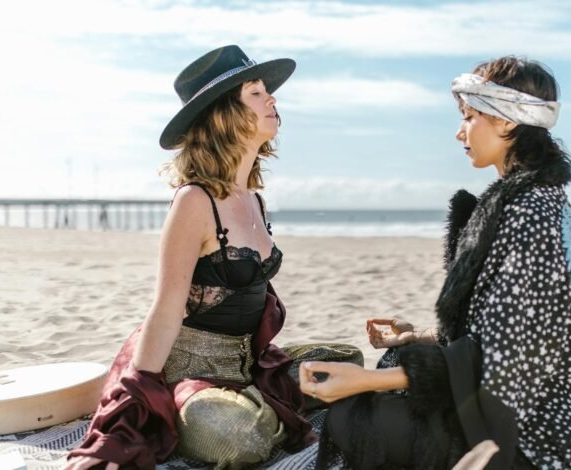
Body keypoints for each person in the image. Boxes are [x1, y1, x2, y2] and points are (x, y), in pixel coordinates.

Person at [300, 57, 571, 469]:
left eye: (469, 117)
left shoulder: (529, 212)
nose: (460, 132)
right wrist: (422, 336)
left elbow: (505, 361)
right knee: (399, 358)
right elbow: (517, 327)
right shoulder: (536, 198)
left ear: (506, 120)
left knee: (353, 419)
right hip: (553, 402)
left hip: (545, 432)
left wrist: (363, 381)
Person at [66, 45, 361, 470]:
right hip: (191, 375)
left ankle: (264, 403)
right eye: (256, 93)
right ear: (224, 114)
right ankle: (258, 412)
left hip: (251, 366)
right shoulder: (194, 200)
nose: (272, 99)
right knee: (233, 436)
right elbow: (165, 310)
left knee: (345, 360)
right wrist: (126, 414)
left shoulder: (255, 201)